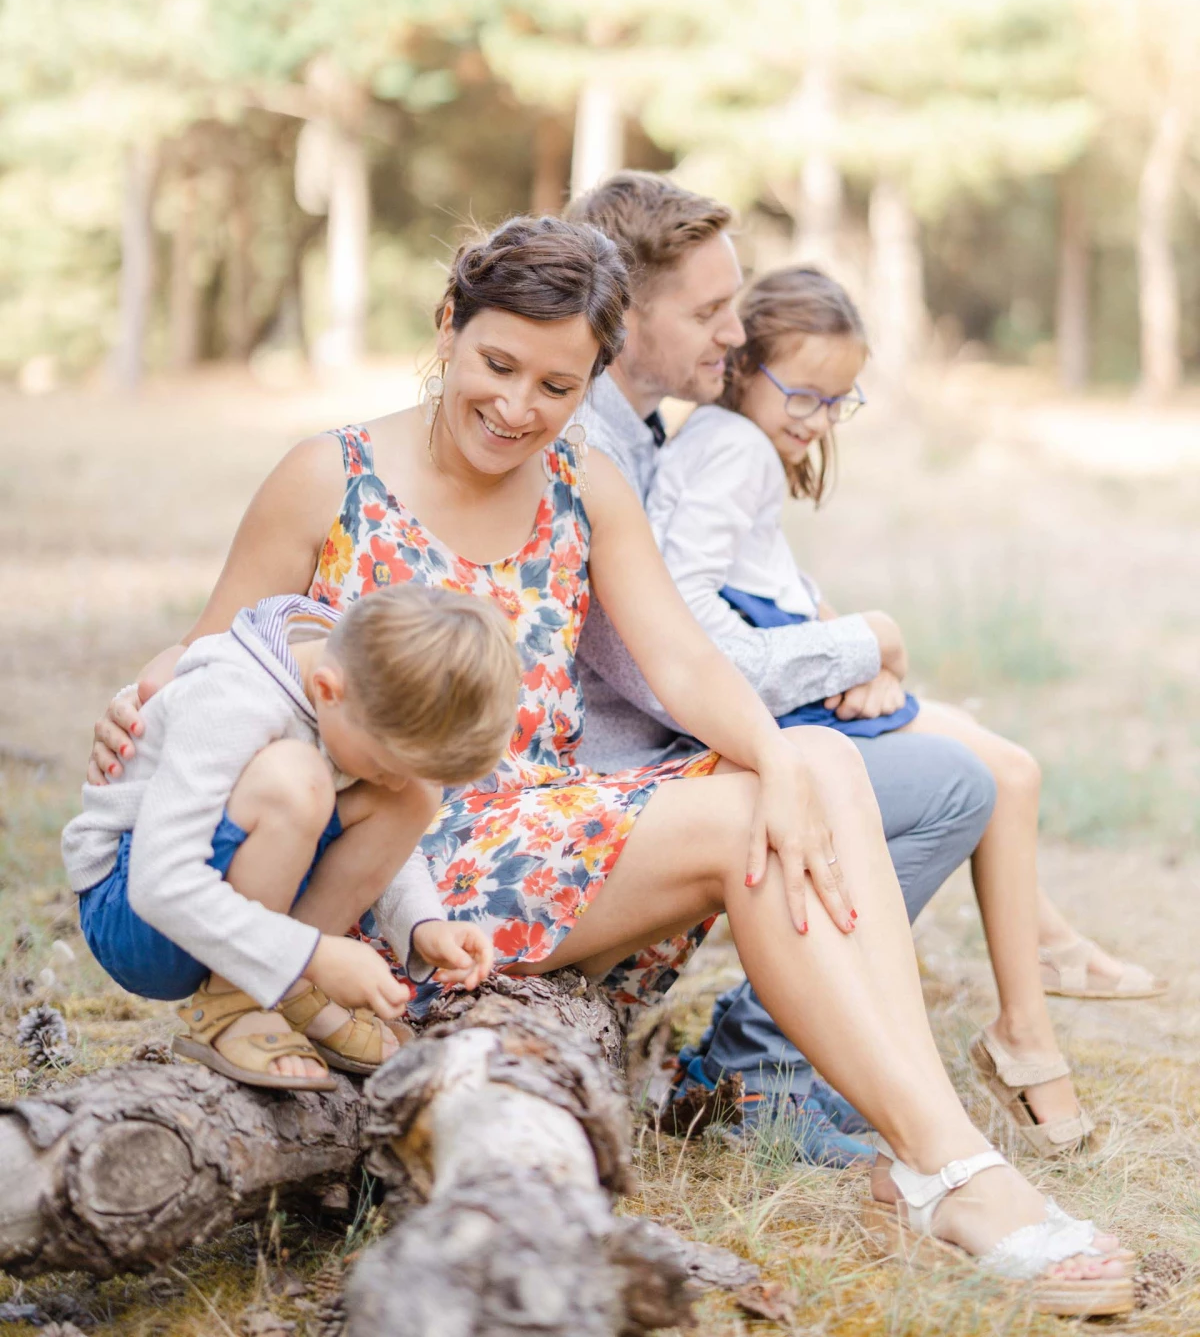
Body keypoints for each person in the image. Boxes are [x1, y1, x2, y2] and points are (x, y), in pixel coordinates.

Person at [86, 215, 1130, 1314]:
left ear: (591, 381)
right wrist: (136, 703)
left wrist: (777, 761)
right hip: (391, 864)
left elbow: (682, 661)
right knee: (741, 819)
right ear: (446, 329)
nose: (517, 408)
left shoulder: (581, 481)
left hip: (538, 831)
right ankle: (955, 1173)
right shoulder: (328, 476)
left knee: (820, 762)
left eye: (557, 385)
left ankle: (937, 1158)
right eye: (497, 365)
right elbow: (219, 648)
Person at [563, 171, 1160, 1164]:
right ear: (621, 312)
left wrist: (847, 643)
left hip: (676, 745)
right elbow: (680, 669)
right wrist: (861, 643)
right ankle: (759, 1072)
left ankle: (880, 1037)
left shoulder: (645, 433)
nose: (732, 335)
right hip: (628, 778)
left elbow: (721, 607)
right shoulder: (597, 450)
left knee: (975, 761)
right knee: (951, 787)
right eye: (709, 313)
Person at [649, 262, 1107, 1157]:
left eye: (837, 403)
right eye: (803, 395)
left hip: (789, 696)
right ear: (742, 363)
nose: (818, 421)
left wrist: (866, 660)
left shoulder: (736, 443)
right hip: (747, 719)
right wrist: (864, 645)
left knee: (998, 769)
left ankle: (821, 1046)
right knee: (975, 783)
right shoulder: (734, 448)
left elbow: (773, 590)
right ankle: (763, 1060)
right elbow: (690, 609)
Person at [65, 584, 514, 1089]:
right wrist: (314, 954)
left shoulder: (356, 684)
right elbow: (159, 884)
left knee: (414, 795)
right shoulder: (235, 697)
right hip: (137, 912)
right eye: (383, 764)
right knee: (296, 777)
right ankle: (235, 1002)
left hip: (220, 899)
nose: (388, 782)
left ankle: (283, 991)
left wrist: (423, 925)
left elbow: (390, 818)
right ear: (327, 690)